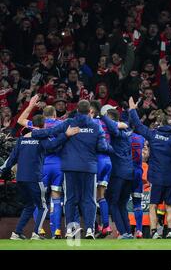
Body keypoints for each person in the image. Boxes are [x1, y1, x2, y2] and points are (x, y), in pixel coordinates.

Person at [31, 100, 112, 239]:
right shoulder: (96, 126)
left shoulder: (68, 123)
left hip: (70, 167)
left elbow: (50, 132)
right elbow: (102, 147)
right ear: (89, 112)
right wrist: (112, 149)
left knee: (70, 199)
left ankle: (69, 230)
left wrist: (34, 134)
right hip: (89, 167)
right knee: (90, 199)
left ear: (77, 110)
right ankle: (89, 230)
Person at [1, 114, 78, 240]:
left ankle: (17, 233)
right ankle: (36, 233)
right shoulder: (41, 138)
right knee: (43, 206)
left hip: (20, 178)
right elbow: (52, 147)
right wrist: (66, 135)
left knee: (29, 205)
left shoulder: (21, 139)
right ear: (43, 125)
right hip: (35, 178)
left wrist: (5, 170)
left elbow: (12, 159)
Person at [128, 97, 171, 239]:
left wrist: (132, 110)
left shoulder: (153, 134)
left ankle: (154, 232)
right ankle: (169, 232)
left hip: (157, 176)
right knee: (169, 206)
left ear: (157, 123)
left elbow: (138, 125)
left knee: (153, 205)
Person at [17, 95, 65, 239]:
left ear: (43, 117)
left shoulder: (36, 125)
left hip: (42, 165)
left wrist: (31, 105)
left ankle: (40, 230)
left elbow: (20, 120)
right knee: (56, 198)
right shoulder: (60, 124)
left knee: (40, 200)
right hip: (58, 165)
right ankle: (57, 231)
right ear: (55, 115)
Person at [102, 108, 134, 239]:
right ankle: (128, 232)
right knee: (122, 204)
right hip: (129, 172)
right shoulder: (126, 131)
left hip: (118, 172)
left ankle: (122, 232)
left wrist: (101, 116)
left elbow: (112, 127)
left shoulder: (115, 131)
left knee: (113, 202)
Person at [89, 100, 113, 238]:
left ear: (92, 111)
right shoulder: (107, 123)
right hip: (108, 161)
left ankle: (93, 226)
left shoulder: (92, 124)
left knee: (89, 196)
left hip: (96, 160)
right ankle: (106, 225)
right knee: (101, 196)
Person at [131, 132, 145, 239]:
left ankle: (122, 230)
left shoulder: (121, 135)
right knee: (137, 203)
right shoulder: (140, 138)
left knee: (121, 203)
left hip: (125, 172)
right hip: (138, 172)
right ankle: (139, 230)